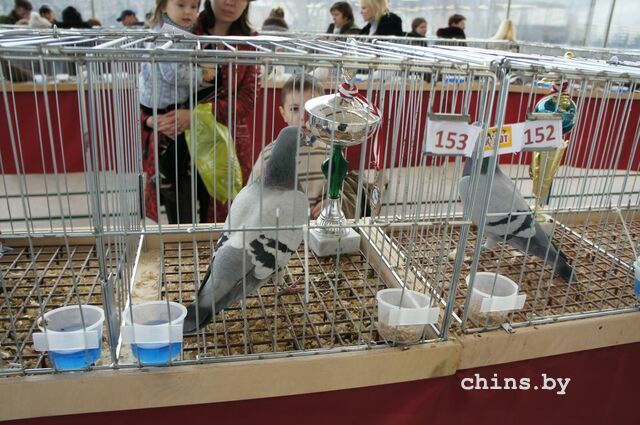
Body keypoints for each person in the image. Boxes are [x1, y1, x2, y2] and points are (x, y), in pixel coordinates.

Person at [143, 0, 259, 224]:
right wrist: (149, 119)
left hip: (224, 145)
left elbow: (247, 99)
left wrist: (196, 116)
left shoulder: (251, 42)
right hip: (174, 141)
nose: (230, 2)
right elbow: (148, 79)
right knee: (180, 222)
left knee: (221, 221)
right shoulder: (181, 27)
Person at [139, 0, 215, 224]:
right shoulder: (168, 34)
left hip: (164, 102)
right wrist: (203, 76)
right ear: (163, 6)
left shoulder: (178, 31)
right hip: (163, 104)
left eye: (193, 6)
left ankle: (166, 178)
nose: (188, 11)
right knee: (176, 142)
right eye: (181, 5)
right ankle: (166, 178)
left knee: (177, 145)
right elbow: (173, 74)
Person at [249, 74, 327, 217]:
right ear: (283, 113)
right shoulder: (269, 155)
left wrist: (332, 203)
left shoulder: (331, 152)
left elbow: (342, 191)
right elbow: (251, 198)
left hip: (318, 227)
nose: (303, 117)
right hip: (278, 226)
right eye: (295, 109)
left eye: (311, 109)